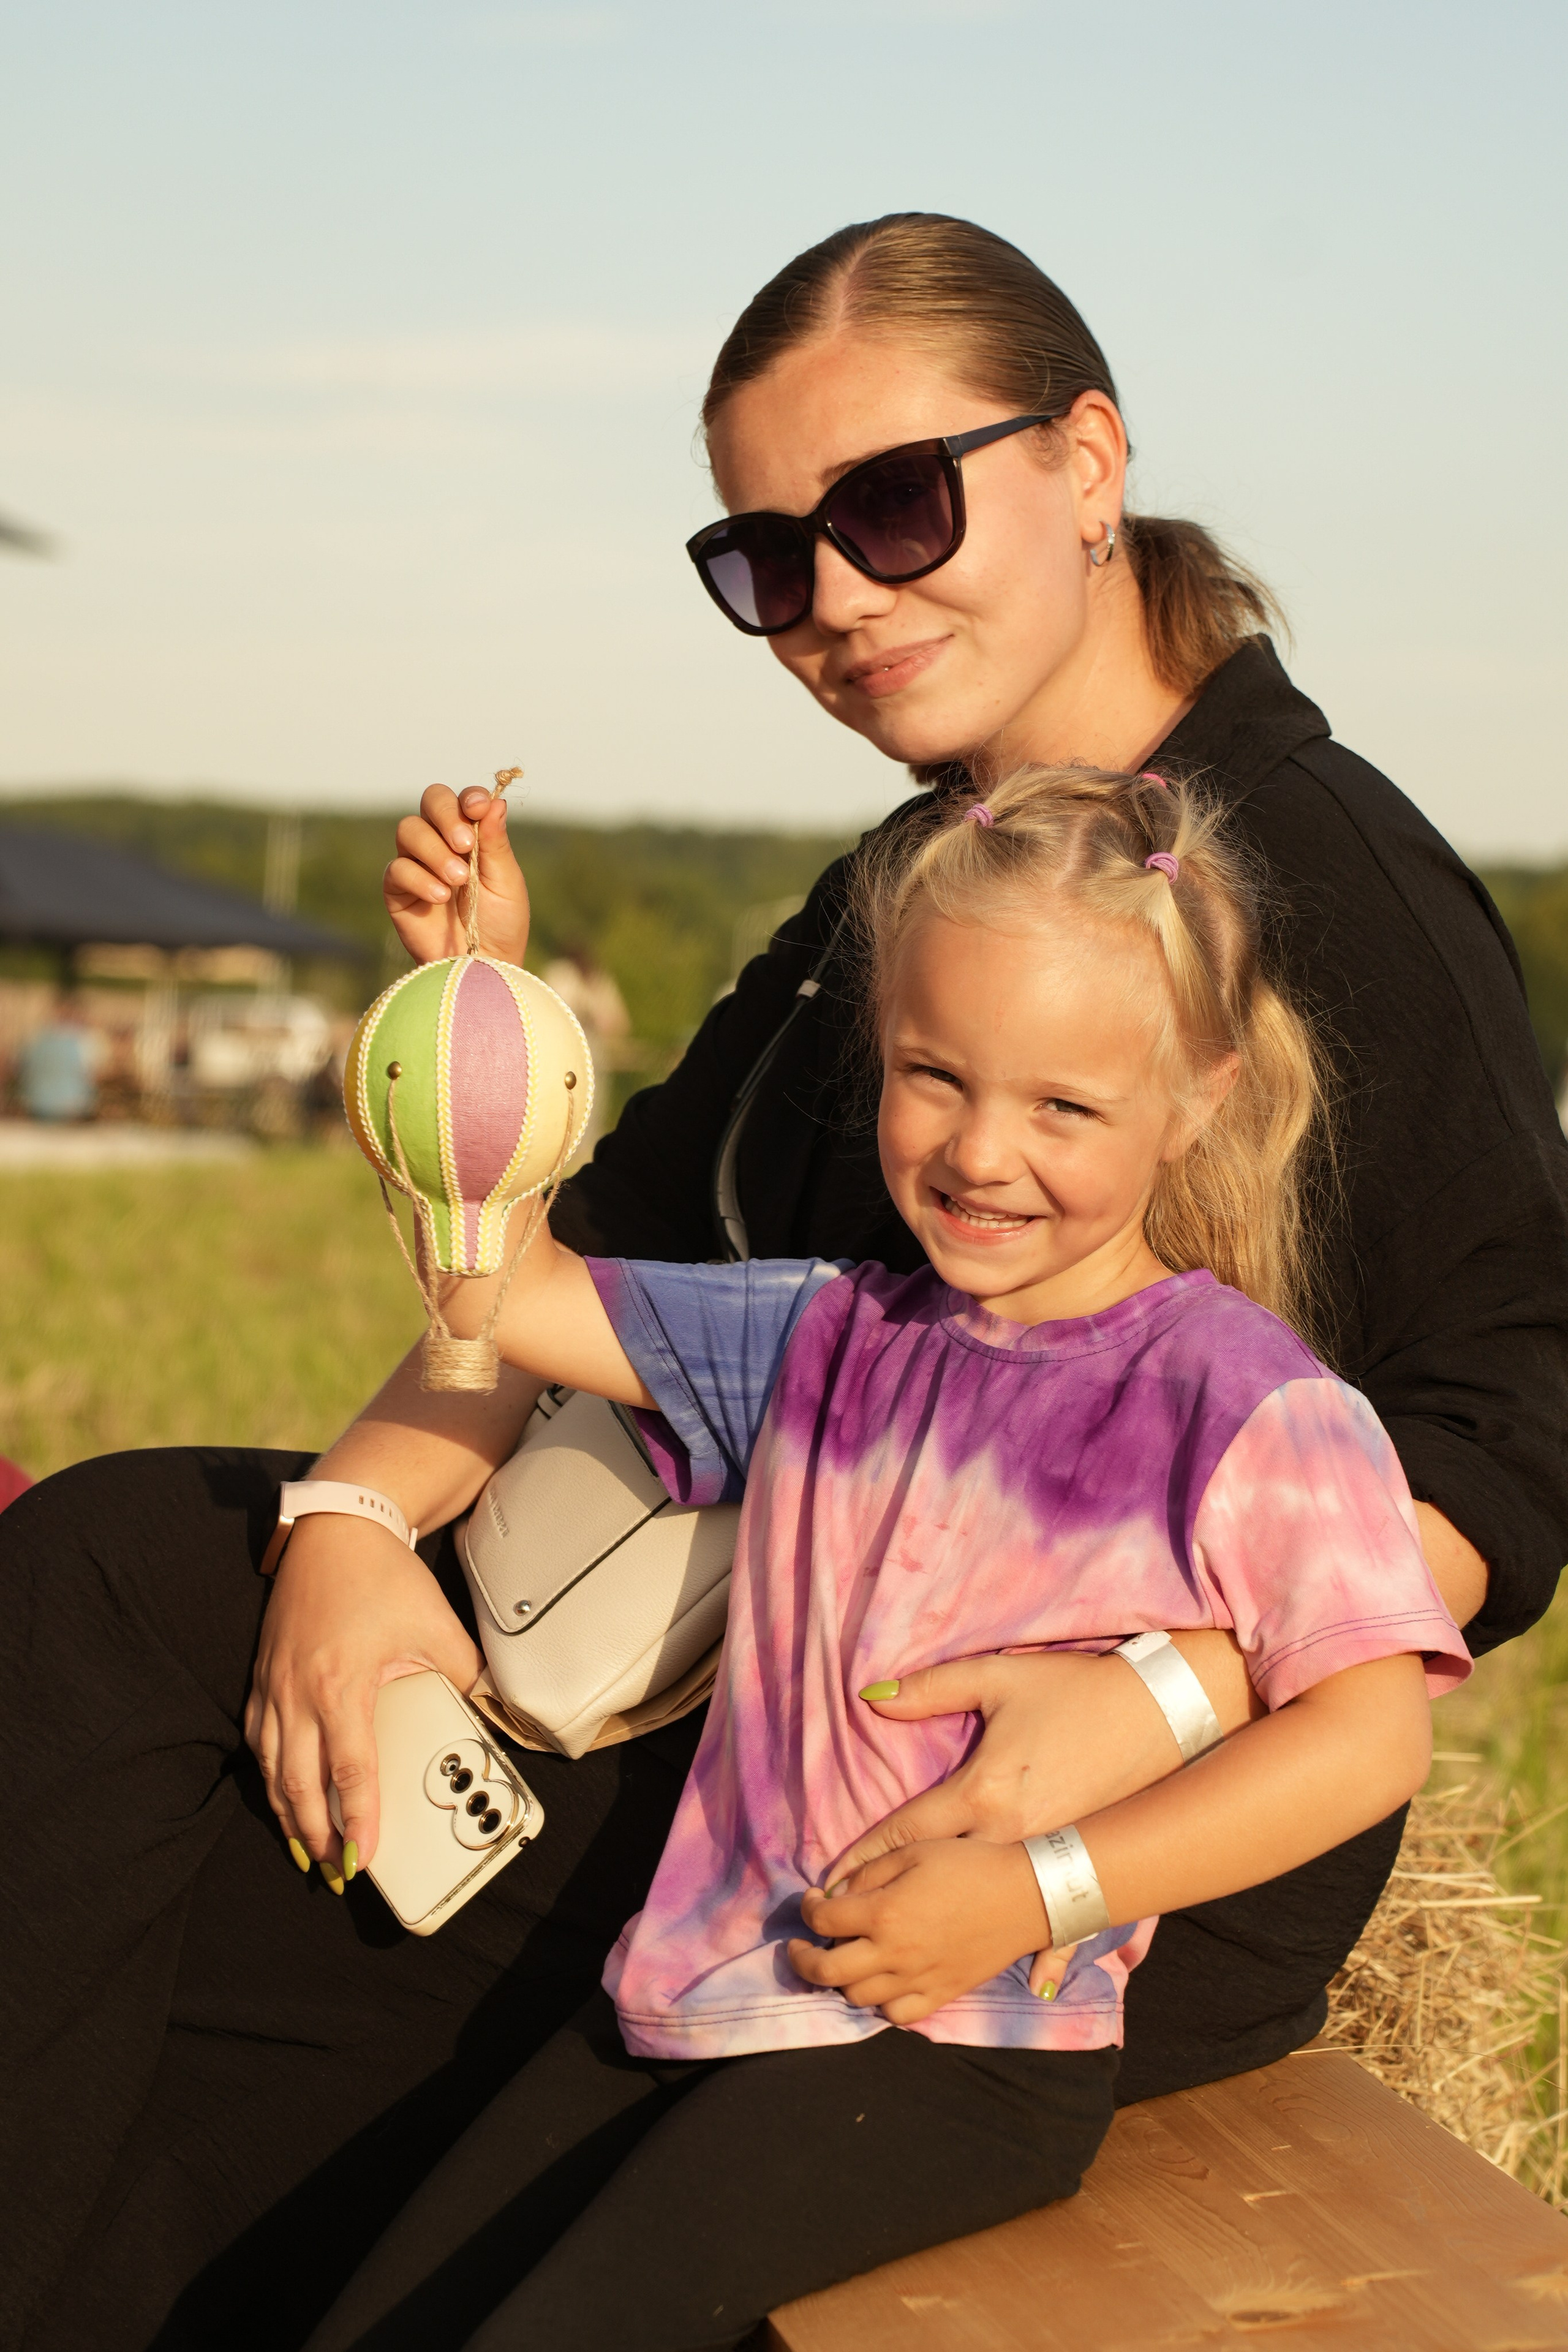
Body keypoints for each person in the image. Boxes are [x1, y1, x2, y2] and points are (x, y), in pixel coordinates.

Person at [1, 211, 1563, 2352]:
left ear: (1089, 464)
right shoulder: (912, 883)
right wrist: (356, 1521)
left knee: (208, 1799)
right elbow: (599, 1253)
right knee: (121, 1577)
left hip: (1042, 1813)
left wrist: (1162, 1693)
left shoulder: (1327, 890)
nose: (832, 596)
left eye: (894, 506)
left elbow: (1509, 1427)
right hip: (736, 1638)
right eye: (762, 557)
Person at [303, 765, 1466, 2350]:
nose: (983, 1152)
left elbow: (1369, 1737)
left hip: (954, 2044)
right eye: (935, 1077)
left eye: (1063, 1108)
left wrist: (1039, 1892)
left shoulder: (1250, 1402)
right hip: (691, 1995)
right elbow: (500, 1296)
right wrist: (476, 1008)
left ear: (1197, 1096)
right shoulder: (826, 1332)